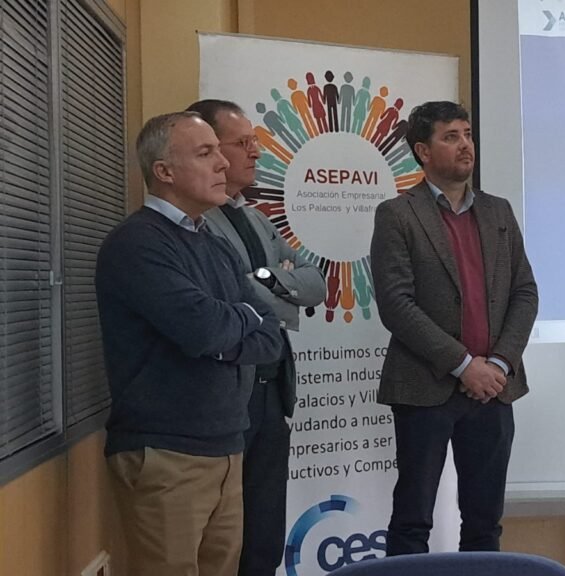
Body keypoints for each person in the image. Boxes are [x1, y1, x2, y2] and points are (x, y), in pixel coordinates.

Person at [95, 112, 283, 576]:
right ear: (164, 171)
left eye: (219, 150)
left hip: (227, 445)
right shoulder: (137, 243)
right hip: (166, 454)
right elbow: (203, 329)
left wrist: (225, 331)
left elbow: (269, 336)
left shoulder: (214, 245)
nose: (223, 163)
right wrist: (235, 323)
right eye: (205, 153)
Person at [370, 101, 539, 555]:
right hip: (425, 387)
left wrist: (498, 363)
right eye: (451, 137)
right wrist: (465, 365)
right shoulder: (397, 215)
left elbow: (525, 292)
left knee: (485, 523)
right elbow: (396, 306)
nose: (465, 145)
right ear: (423, 151)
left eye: (467, 134)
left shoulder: (499, 212)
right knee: (412, 519)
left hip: (494, 390)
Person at [186, 99, 327, 576]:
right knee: (225, 543)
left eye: (255, 141)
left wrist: (265, 278)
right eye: (242, 142)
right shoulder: (197, 222)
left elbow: (315, 284)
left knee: (265, 535)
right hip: (228, 392)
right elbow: (229, 297)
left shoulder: (256, 217)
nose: (255, 152)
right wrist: (278, 283)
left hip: (272, 391)